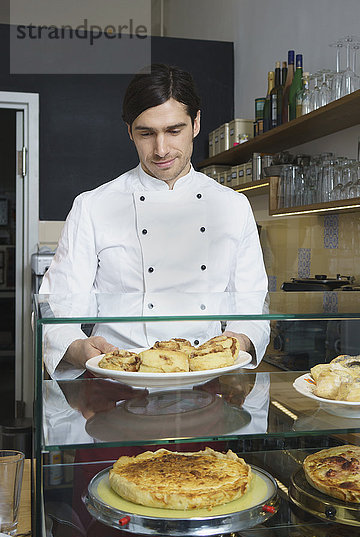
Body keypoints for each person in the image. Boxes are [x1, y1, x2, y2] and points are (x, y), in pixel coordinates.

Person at [40, 63, 269, 378]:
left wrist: (238, 341)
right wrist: (77, 348)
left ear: (196, 122)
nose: (161, 150)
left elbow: (252, 309)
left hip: (206, 383)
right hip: (117, 382)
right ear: (129, 131)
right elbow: (58, 308)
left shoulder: (233, 207)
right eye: (146, 133)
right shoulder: (93, 207)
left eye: (174, 131)